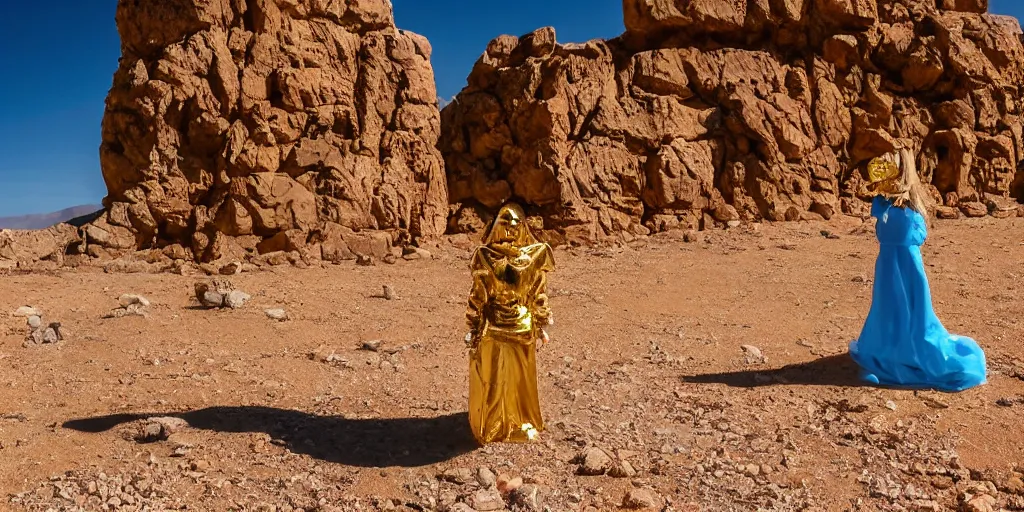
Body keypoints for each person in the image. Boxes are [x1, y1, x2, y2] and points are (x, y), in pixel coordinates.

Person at [848, 147, 987, 392]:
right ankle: (902, 353)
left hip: (895, 266)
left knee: (892, 309)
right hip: (903, 266)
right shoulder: (906, 211)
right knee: (905, 311)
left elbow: (901, 235)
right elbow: (918, 236)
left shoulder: (890, 210)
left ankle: (891, 353)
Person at [465, 203, 554, 443]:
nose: (510, 230)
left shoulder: (535, 255)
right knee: (493, 380)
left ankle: (520, 422)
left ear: (523, 227)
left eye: (515, 225)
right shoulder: (485, 257)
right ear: (495, 227)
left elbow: (538, 293)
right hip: (494, 327)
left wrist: (542, 323)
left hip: (521, 328)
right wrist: (473, 327)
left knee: (521, 380)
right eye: (505, 224)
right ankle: (493, 426)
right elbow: (478, 295)